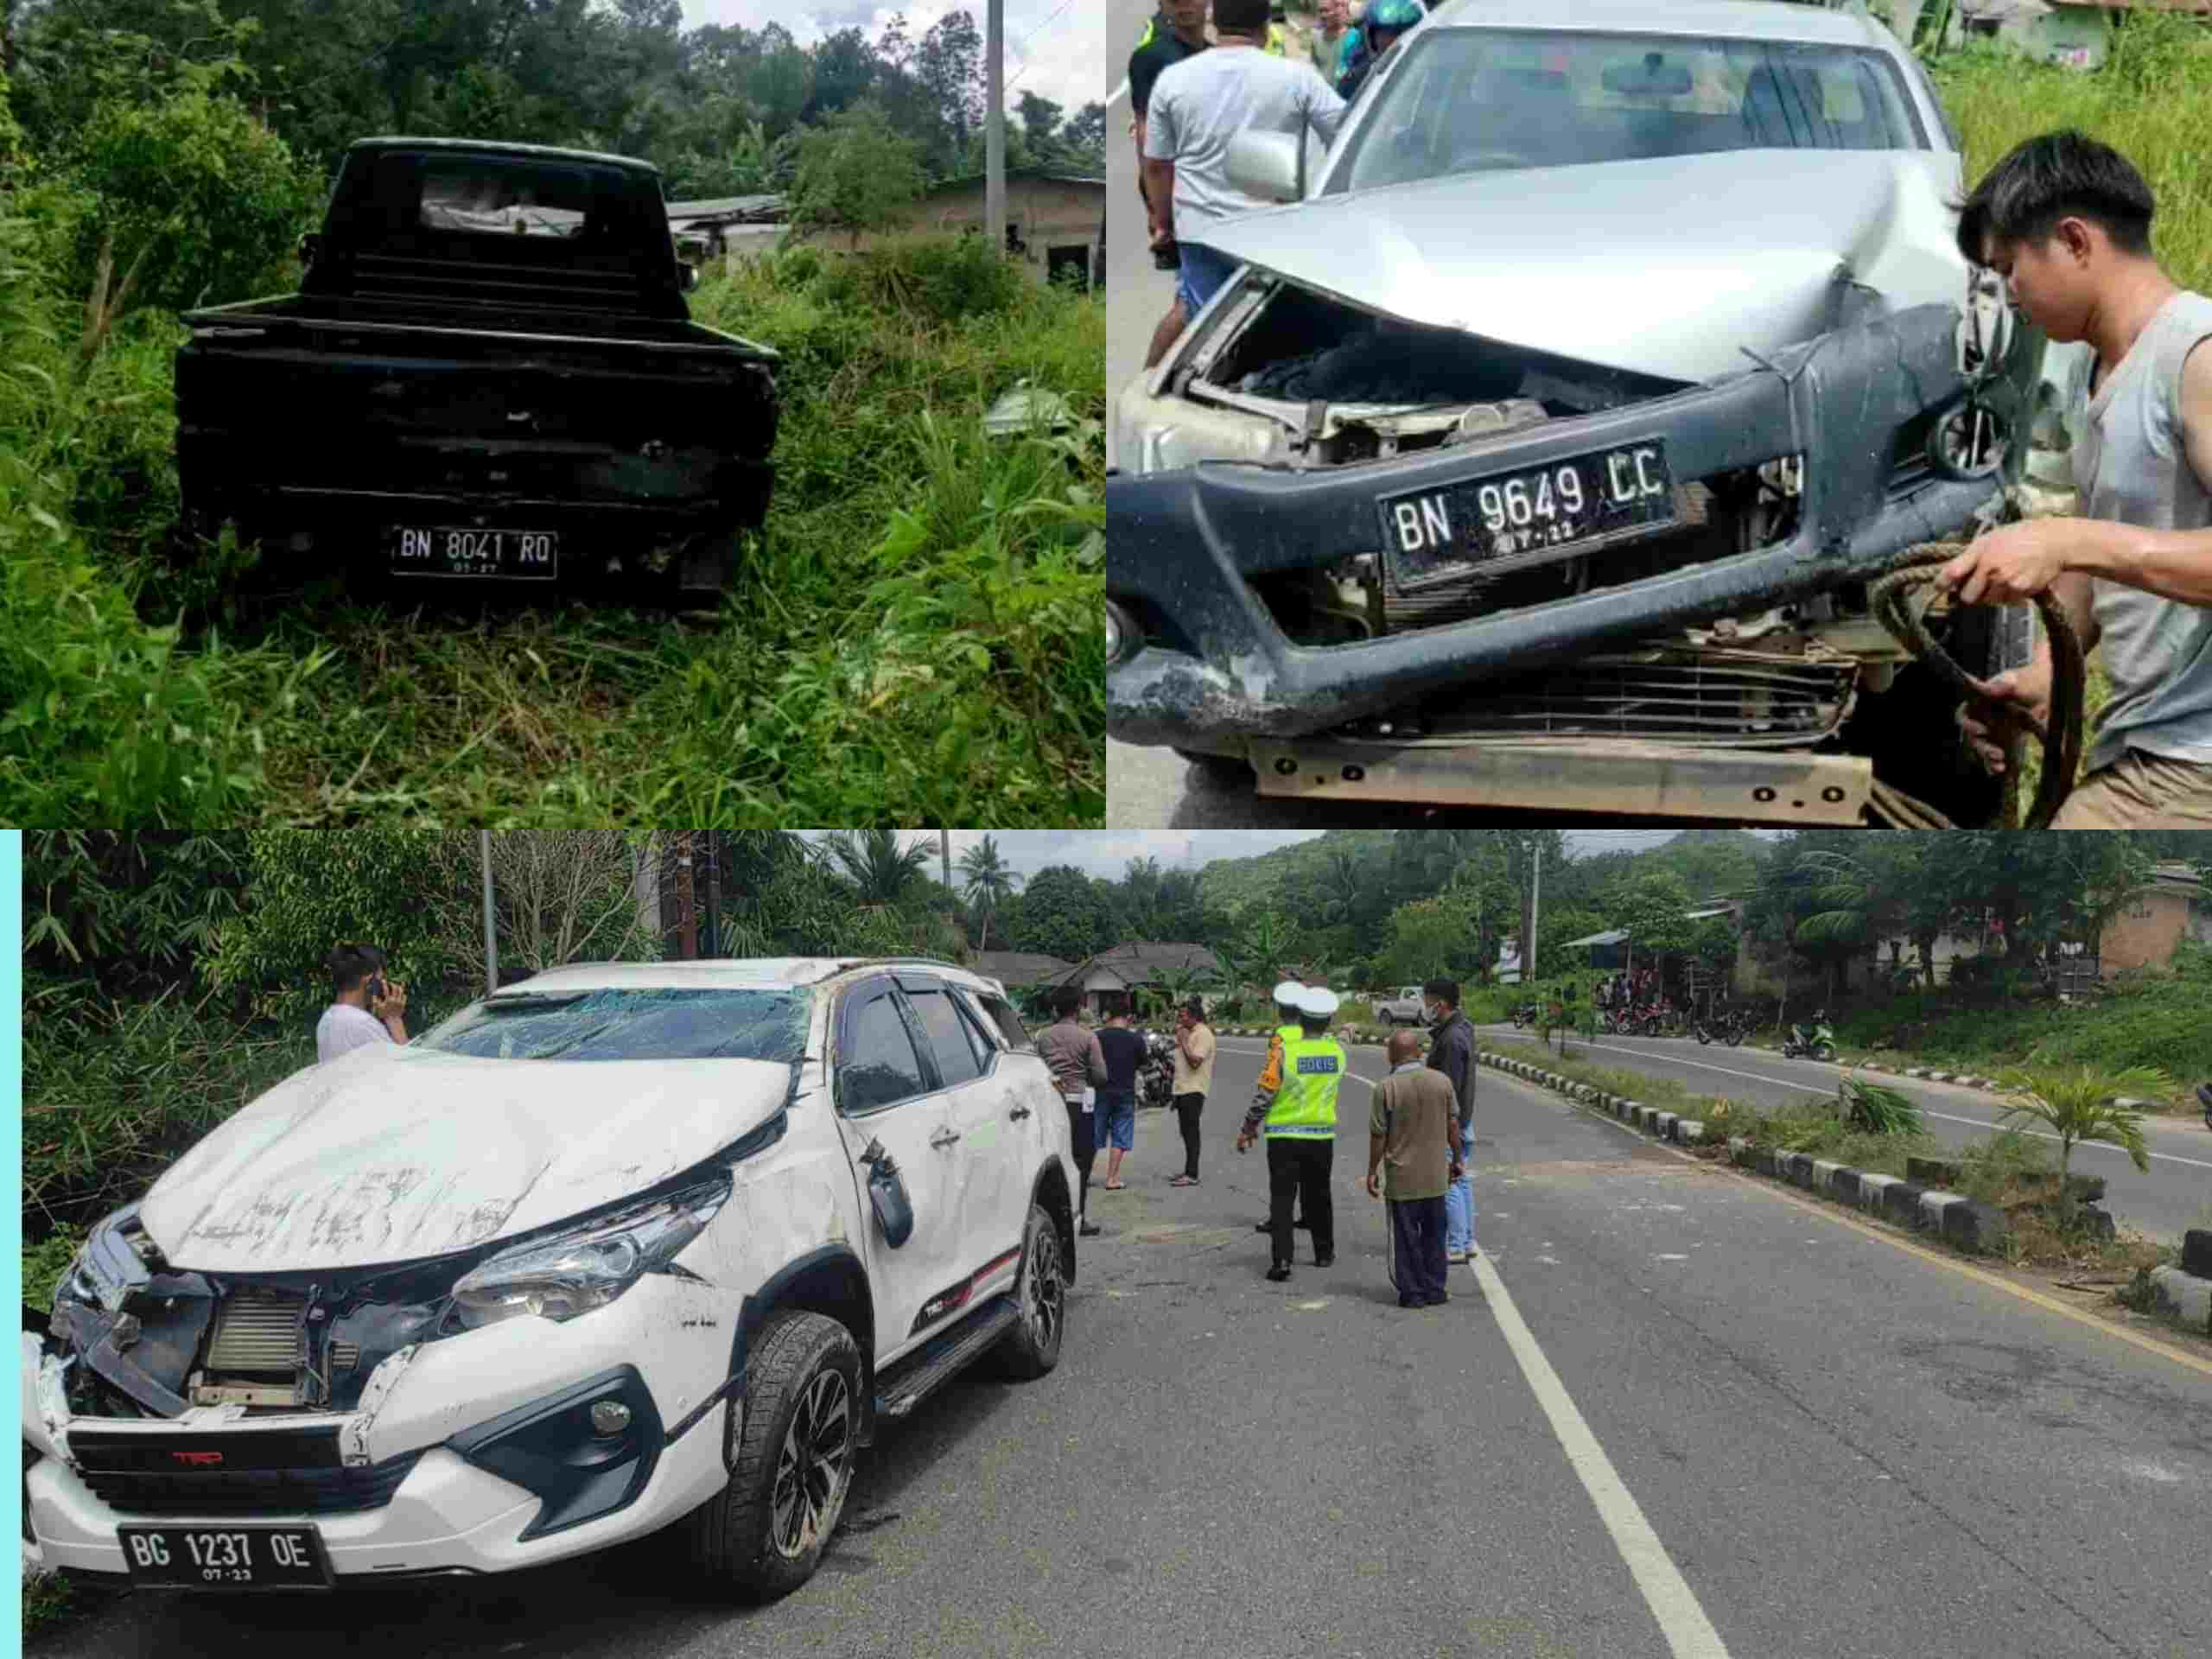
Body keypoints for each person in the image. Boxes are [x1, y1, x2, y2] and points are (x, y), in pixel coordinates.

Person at [1938, 131, 2212, 826]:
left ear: (2074, 240)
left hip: (2191, 763)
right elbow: (2110, 557)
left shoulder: (2195, 357)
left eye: (2010, 269)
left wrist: (2067, 536)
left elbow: (2093, 544)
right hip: (2152, 746)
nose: (2011, 295)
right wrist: (2043, 678)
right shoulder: (2104, 372)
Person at [1142, 0, 1347, 367]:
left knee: (1202, 324)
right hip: (1271, 233)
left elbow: (1157, 165)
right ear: (1265, 26)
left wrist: (1162, 223)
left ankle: (1151, 391)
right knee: (1278, 328)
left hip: (1200, 232)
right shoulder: (1296, 78)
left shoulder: (1173, 81)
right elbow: (1346, 135)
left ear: (1214, 22)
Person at [1237, 985, 1342, 1282]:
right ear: (1327, 1021)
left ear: (1301, 1020)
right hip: (1321, 1136)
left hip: (1284, 1136)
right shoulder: (1336, 1052)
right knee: (1320, 1194)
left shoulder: (1284, 1052)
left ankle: (1282, 1260)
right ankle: (1324, 1252)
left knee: (1282, 1199)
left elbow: (1265, 1093)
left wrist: (1248, 1128)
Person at [1366, 1028, 1464, 1308]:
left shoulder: (1385, 1088)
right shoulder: (1442, 1081)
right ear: (1419, 1053)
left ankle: (1412, 1293)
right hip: (1435, 1176)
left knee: (1406, 1237)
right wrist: (1457, 1160)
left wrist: (1372, 1171)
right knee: (1435, 1235)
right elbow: (1453, 1125)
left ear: (1390, 1055)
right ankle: (1435, 1289)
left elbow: (1378, 1136)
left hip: (1402, 1178)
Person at [1129, 0, 1210, 279]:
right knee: (1194, 289)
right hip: (1180, 194)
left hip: (1220, 194)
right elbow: (1146, 139)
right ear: (1162, 5)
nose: (1184, 5)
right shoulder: (1150, 58)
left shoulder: (1217, 57)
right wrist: (1158, 211)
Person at [1039, 989, 1109, 1236]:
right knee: (1081, 1162)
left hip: (1050, 1103)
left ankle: (1053, 1221)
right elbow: (1101, 1076)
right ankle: (1079, 1218)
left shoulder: (1042, 1037)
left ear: (1055, 1011)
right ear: (1078, 1011)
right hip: (1080, 1105)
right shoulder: (1088, 1038)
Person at [1422, 977, 1478, 1262]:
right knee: (1461, 1179)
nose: (1425, 1007)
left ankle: (1455, 1245)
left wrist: (1446, 1127)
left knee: (1450, 1182)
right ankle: (1467, 1240)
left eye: (1427, 1001)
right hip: (1461, 1121)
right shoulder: (1461, 1029)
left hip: (1451, 1123)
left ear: (1440, 1004)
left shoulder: (1452, 1039)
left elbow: (1449, 1090)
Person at [1253, 980, 1313, 1234]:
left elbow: (1272, 1079)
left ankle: (1279, 1219)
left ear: (1281, 1011)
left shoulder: (1279, 1038)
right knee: (1309, 1175)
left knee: (1282, 1179)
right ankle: (1309, 1216)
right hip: (1313, 1112)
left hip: (1285, 1114)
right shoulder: (1312, 1034)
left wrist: (1252, 1121)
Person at [316, 942, 407, 1063]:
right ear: (369, 977)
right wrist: (394, 1019)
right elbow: (408, 1070)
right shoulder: (362, 1024)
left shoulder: (327, 1019)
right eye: (381, 978)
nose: (383, 984)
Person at [1094, 1001, 1147, 1191]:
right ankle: (1111, 1179)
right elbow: (1143, 1064)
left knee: (1094, 1134)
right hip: (1125, 1093)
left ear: (1108, 1015)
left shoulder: (1096, 1037)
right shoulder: (1136, 1039)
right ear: (1128, 1018)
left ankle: (1083, 1176)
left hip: (1100, 1092)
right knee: (1120, 1136)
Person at [1334, 0, 1422, 103]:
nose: (1392, 40)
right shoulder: (1358, 79)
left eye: (1399, 32)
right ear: (1372, 36)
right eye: (1385, 33)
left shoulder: (1430, 69)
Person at [1169, 996, 1216, 1185]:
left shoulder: (1202, 1034)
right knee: (1186, 1132)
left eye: (1183, 1016)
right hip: (1183, 1089)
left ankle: (1192, 1174)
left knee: (1191, 1132)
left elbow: (1196, 1061)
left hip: (1194, 1089)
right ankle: (1188, 1171)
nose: (1180, 1020)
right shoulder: (1190, 1032)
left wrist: (1184, 1041)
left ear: (1194, 1016)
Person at [1310, 0, 1353, 82]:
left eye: (1327, 10)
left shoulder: (1352, 37)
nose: (1323, 15)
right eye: (1321, 11)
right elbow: (1315, 67)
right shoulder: (1315, 38)